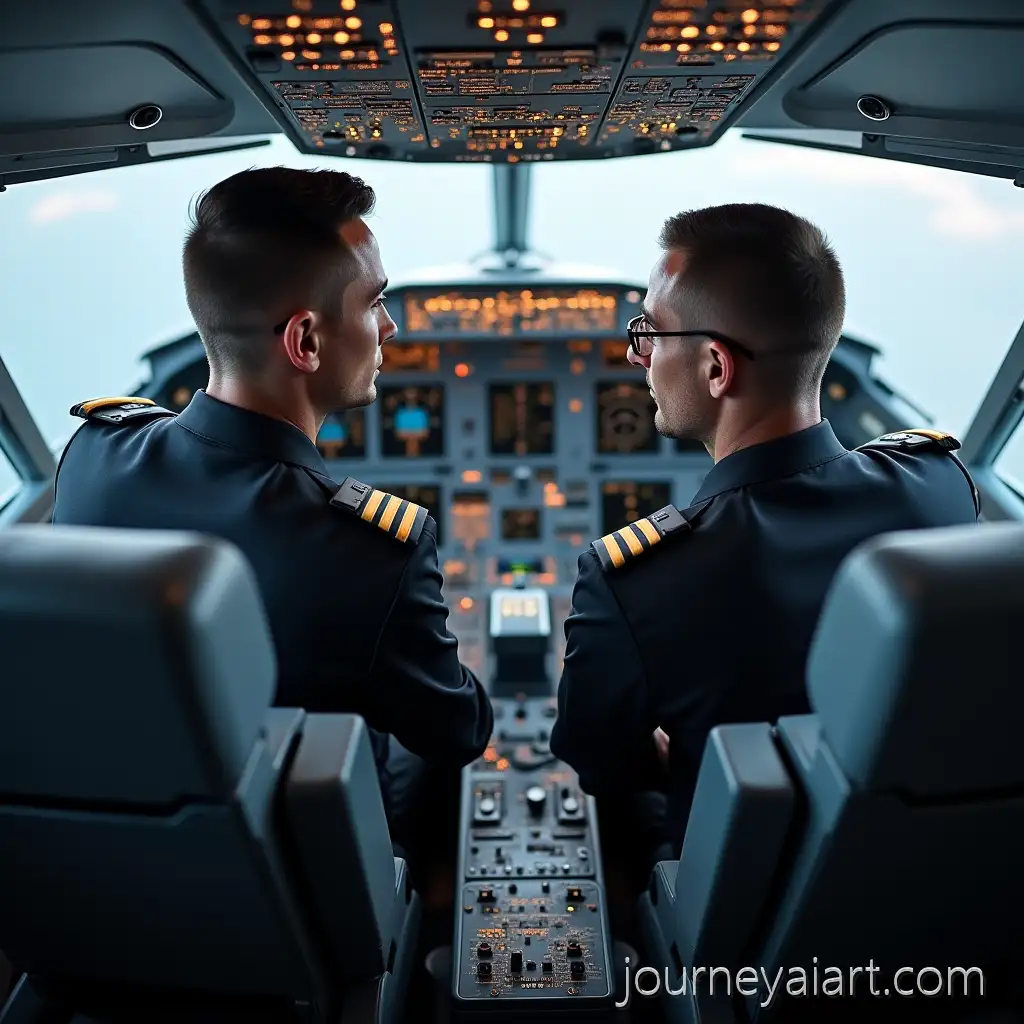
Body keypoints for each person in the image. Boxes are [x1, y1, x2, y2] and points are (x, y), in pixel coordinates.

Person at [51, 167, 493, 868]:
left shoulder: (93, 453)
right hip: (295, 889)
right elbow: (458, 732)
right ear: (305, 341)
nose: (390, 326)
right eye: (375, 302)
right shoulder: (370, 551)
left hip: (94, 857)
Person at [549, 203, 980, 885]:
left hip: (748, 908)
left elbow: (598, 761)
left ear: (716, 367)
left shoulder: (635, 580)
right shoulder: (941, 484)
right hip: (952, 877)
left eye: (650, 331)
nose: (637, 354)